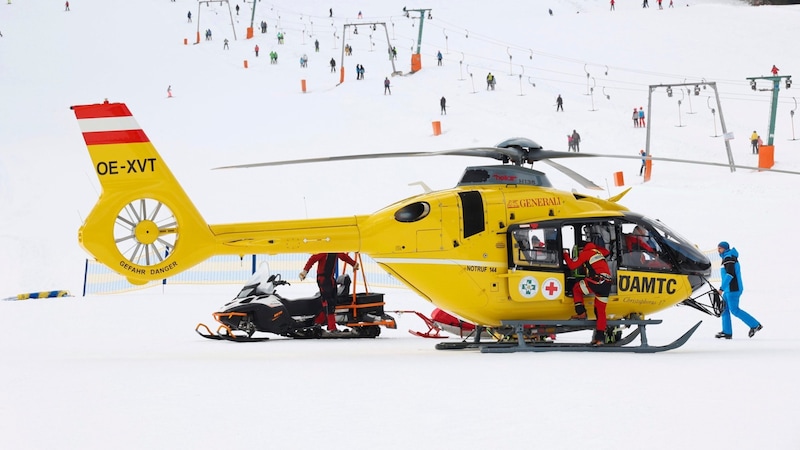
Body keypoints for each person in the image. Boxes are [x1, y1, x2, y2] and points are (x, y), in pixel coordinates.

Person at [563, 241, 613, 345]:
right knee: (600, 312)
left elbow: (572, 266)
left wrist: (565, 255)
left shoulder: (586, 253)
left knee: (576, 288)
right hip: (607, 283)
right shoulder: (598, 252)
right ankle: (600, 338)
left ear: (582, 249)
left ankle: (581, 312)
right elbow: (607, 252)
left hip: (597, 281)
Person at [299, 253, 359, 332]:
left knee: (332, 302)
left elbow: (343, 256)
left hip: (330, 279)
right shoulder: (324, 249)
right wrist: (305, 271)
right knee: (328, 302)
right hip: (323, 279)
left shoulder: (334, 249)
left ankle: (319, 321)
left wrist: (353, 264)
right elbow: (313, 259)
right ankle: (331, 326)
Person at [715, 242, 763, 339]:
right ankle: (727, 332)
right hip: (728, 290)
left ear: (725, 249)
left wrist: (721, 289)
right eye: (718, 248)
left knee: (735, 310)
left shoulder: (729, 258)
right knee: (724, 309)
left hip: (733, 289)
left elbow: (729, 275)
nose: (718, 250)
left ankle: (755, 325)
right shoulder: (727, 257)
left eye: (720, 248)